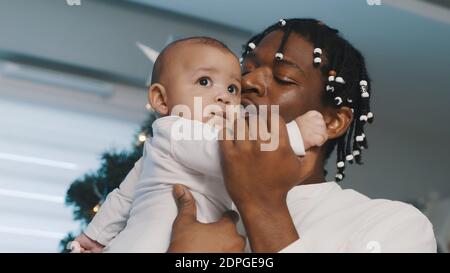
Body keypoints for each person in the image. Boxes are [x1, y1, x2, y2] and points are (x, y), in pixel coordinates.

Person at [76, 19, 437, 253]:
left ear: (331, 122)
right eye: (243, 74)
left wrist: (259, 204)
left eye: (283, 77)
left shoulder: (393, 225)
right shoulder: (180, 174)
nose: (245, 85)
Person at [71, 36, 327, 252]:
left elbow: (123, 197)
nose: (224, 97)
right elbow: (226, 156)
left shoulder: (157, 151)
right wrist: (294, 135)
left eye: (232, 88)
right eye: (204, 82)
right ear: (161, 99)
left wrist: (95, 236)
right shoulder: (176, 129)